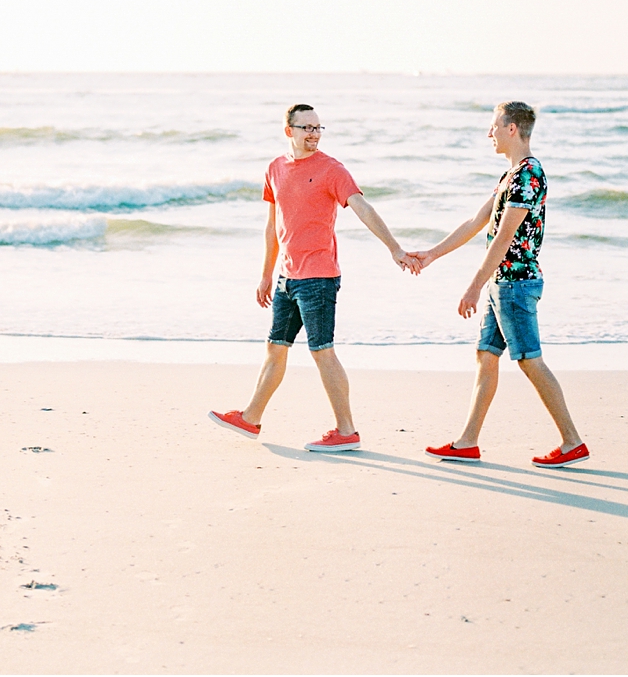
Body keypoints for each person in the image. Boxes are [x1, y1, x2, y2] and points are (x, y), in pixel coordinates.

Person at [209, 104, 415, 452]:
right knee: (275, 349)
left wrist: (394, 248)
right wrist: (265, 275)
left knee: (322, 352)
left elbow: (363, 208)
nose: (314, 134)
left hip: (318, 277)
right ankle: (251, 417)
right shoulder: (275, 169)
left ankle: (346, 430)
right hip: (286, 277)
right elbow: (273, 227)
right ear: (289, 130)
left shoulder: (332, 170)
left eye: (319, 128)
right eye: (307, 128)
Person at [409, 100, 589, 468]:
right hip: (501, 284)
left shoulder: (528, 174)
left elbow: (505, 236)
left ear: (512, 129)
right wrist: (431, 254)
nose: (488, 133)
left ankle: (572, 442)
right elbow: (477, 221)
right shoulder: (510, 175)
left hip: (515, 284)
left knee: (530, 361)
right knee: (486, 357)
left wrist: (473, 285)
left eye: (494, 126)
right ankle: (468, 442)